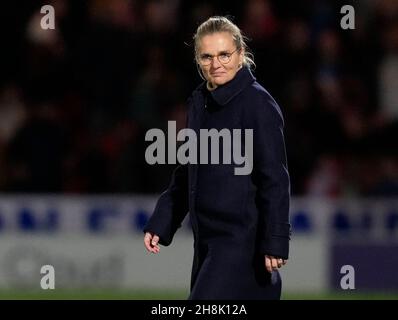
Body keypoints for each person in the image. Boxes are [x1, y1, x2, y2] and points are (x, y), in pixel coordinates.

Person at [144, 16, 291, 300]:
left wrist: (275, 239)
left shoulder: (257, 103)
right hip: (207, 242)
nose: (216, 64)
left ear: (240, 54)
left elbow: (275, 177)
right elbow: (188, 171)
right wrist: (163, 220)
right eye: (207, 56)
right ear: (198, 60)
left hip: (241, 244)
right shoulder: (200, 102)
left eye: (224, 54)